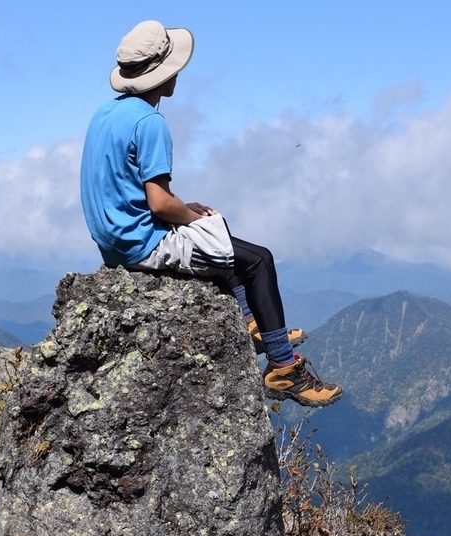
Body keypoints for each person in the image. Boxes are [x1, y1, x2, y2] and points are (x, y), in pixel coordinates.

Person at [79, 20, 342, 408]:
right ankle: (283, 367)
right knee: (258, 260)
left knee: (218, 234)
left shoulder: (105, 114)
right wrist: (191, 217)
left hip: (114, 237)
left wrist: (188, 211)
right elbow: (159, 203)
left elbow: (127, 188)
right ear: (164, 73)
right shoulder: (149, 122)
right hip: (140, 244)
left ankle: (253, 322)